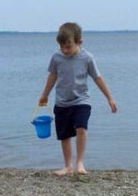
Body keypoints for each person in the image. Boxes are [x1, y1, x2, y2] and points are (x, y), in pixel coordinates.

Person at [38, 22, 118, 177]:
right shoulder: (56, 57)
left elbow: (98, 78)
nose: (65, 50)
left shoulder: (87, 58)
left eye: (68, 46)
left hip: (82, 101)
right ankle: (68, 166)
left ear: (79, 42)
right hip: (62, 102)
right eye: (62, 47)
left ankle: (80, 162)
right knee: (65, 135)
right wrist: (45, 94)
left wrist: (110, 98)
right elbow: (52, 76)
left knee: (81, 128)